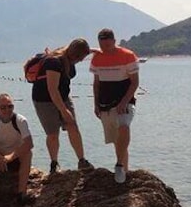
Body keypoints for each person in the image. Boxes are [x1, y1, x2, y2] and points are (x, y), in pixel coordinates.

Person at [31, 38, 94, 173]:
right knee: (53, 133)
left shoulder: (69, 56)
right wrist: (64, 111)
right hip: (44, 100)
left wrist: (96, 51)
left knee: (73, 126)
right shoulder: (54, 62)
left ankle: (82, 160)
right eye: (80, 58)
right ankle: (54, 163)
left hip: (63, 96)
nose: (81, 61)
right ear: (73, 54)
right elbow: (52, 90)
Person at [90, 28, 140, 184]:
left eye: (107, 44)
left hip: (125, 102)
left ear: (114, 41)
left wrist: (125, 101)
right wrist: (96, 104)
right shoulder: (97, 58)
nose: (104, 48)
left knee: (124, 127)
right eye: (101, 45)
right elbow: (96, 83)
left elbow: (135, 82)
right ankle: (124, 171)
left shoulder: (127, 55)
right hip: (105, 103)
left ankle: (118, 165)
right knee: (117, 140)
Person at [0, 93, 34, 207]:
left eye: (10, 106)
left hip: (16, 158)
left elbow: (29, 143)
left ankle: (22, 193)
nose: (7, 110)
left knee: (28, 154)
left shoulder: (20, 120)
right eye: (3, 107)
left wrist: (10, 157)